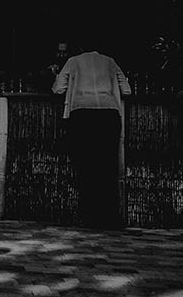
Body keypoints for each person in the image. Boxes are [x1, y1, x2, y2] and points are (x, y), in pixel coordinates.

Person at [53, 46, 132, 228]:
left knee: (86, 166)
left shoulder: (73, 61)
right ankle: (110, 218)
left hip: (82, 114)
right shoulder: (110, 62)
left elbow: (58, 89)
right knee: (107, 166)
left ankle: (89, 217)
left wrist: (57, 76)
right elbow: (127, 90)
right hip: (108, 114)